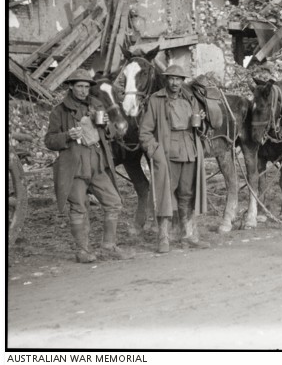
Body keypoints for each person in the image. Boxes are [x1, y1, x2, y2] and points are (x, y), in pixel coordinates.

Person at [45, 69, 135, 263]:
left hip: (97, 163)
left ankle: (108, 246)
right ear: (71, 86)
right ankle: (82, 251)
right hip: (75, 167)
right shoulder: (59, 111)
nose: (84, 90)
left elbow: (112, 133)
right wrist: (67, 136)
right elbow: (49, 141)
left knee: (114, 202)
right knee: (78, 208)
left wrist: (102, 124)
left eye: (86, 87)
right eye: (79, 86)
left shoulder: (96, 105)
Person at [138, 64, 209, 253]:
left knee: (187, 194)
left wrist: (199, 122)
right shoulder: (156, 99)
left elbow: (199, 130)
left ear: (182, 81)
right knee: (165, 195)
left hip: (189, 150)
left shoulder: (190, 98)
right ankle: (163, 237)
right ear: (166, 80)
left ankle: (188, 235)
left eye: (178, 79)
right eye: (171, 78)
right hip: (168, 151)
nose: (175, 82)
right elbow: (145, 132)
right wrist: (155, 151)